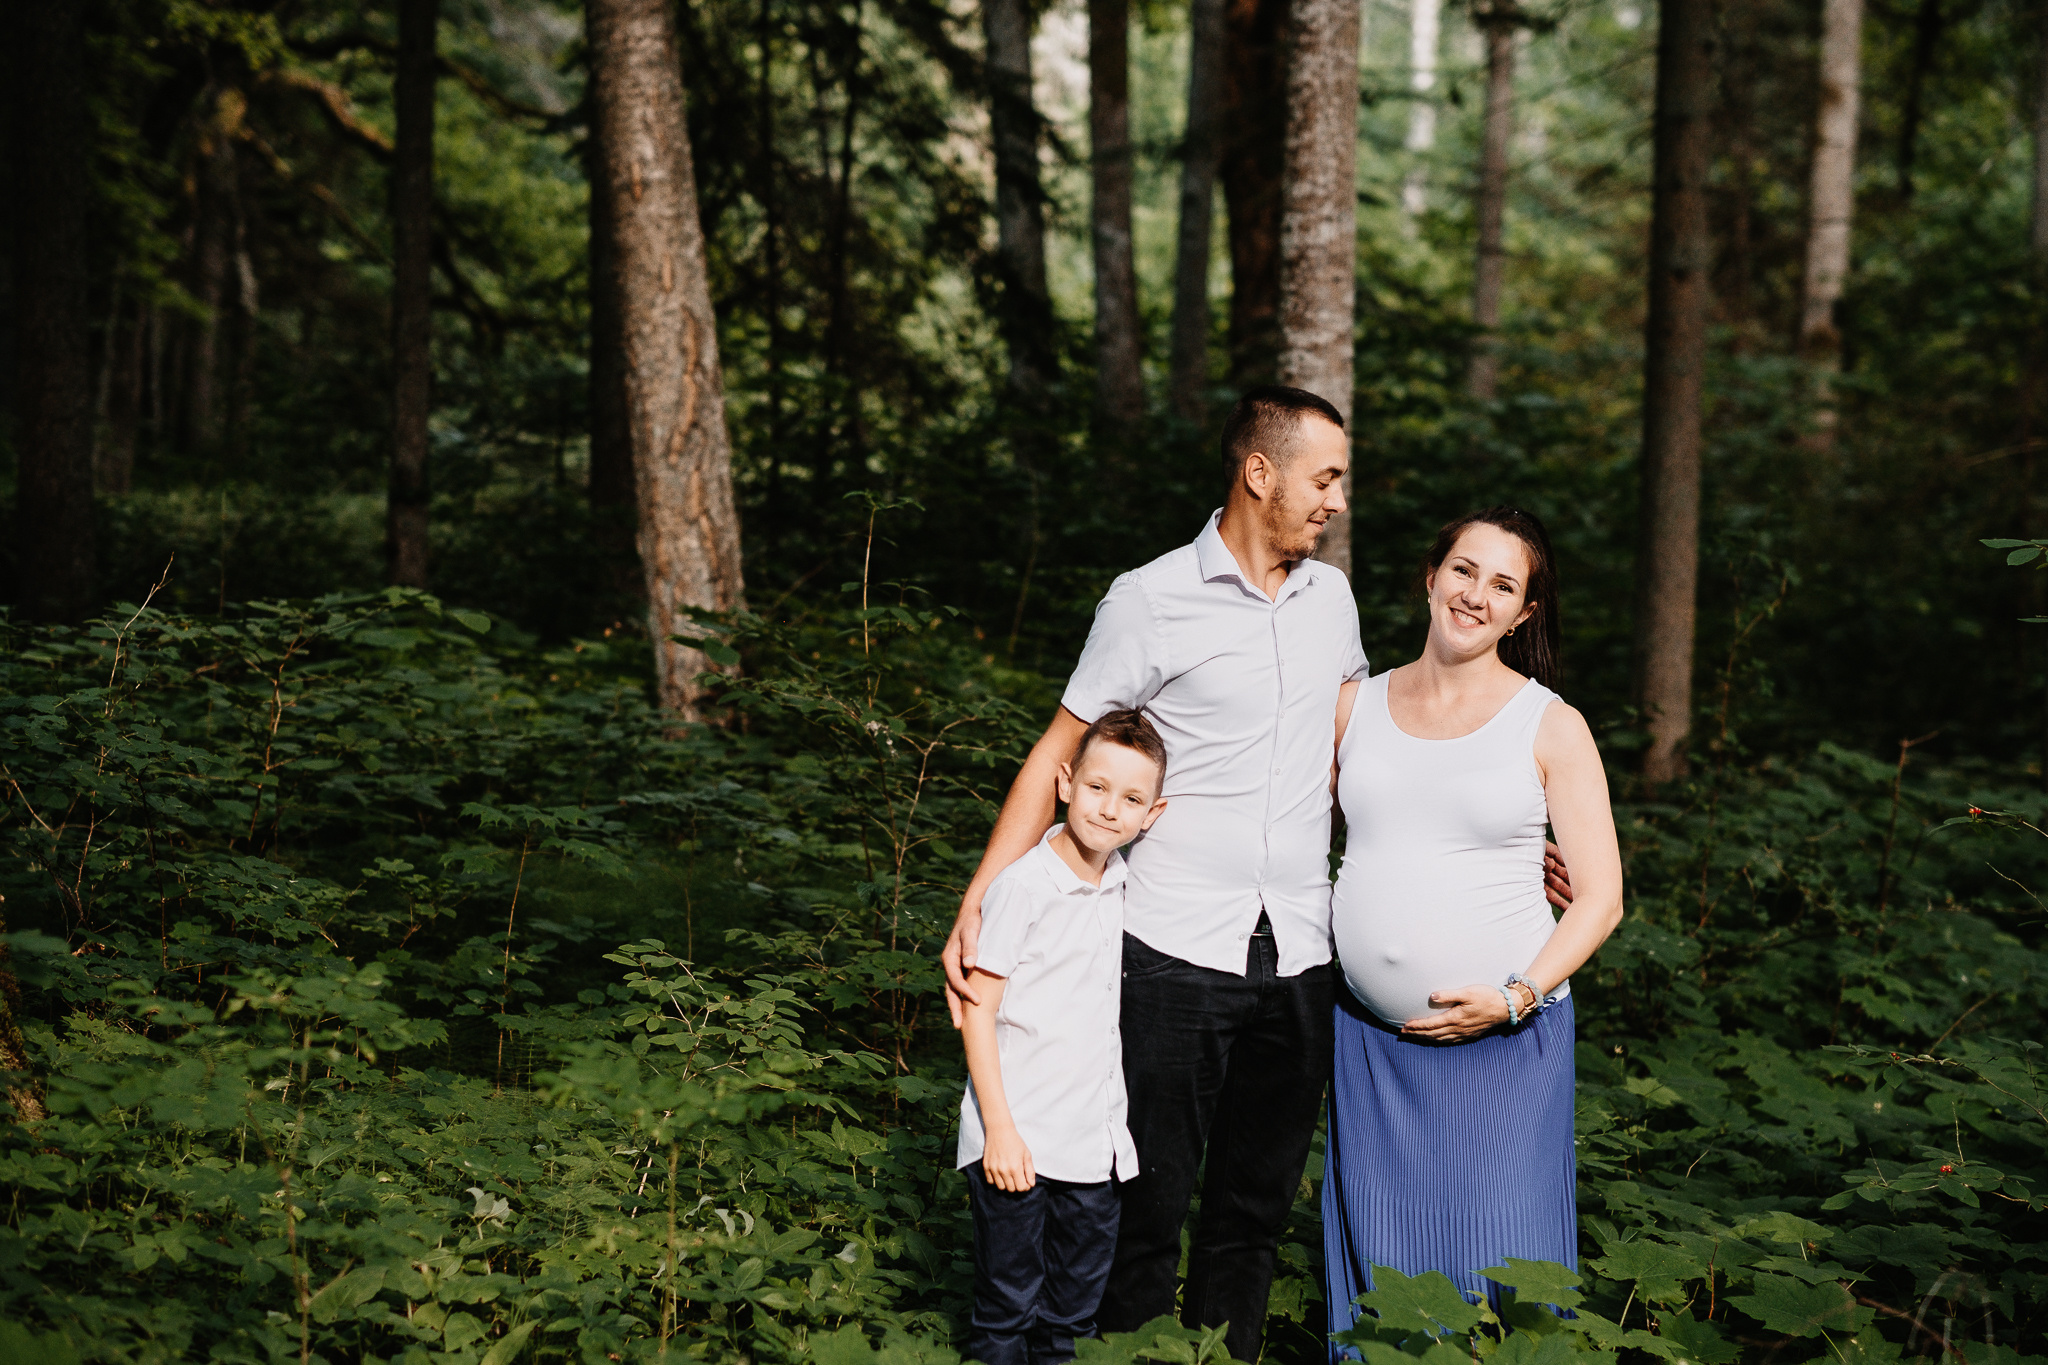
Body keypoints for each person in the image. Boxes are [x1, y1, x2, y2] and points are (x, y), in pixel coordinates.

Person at [945, 385, 1367, 1363]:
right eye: (1324, 477)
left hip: (1300, 954)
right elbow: (1055, 750)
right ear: (1257, 473)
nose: (1335, 500)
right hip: (1170, 951)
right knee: (1144, 1206)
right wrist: (976, 907)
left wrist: (1502, 845)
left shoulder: (1332, 601)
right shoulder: (1147, 600)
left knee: (1251, 1216)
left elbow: (1356, 755)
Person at [1321, 507, 1625, 1350]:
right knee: (1384, 1274)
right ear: (1430, 575)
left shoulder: (1550, 725)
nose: (1475, 594)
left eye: (1503, 584)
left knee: (1503, 1270)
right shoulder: (1353, 708)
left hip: (1506, 1045)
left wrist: (1513, 995)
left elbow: (1600, 898)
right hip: (1372, 1045)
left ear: (1524, 612)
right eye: (1464, 570)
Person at [956, 709, 1170, 1365]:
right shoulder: (1023, 886)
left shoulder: (1122, 883)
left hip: (1094, 1150)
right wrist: (999, 1128)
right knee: (1007, 1309)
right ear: (1066, 781)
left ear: (1152, 814)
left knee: (1071, 1317)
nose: (1110, 809)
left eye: (1131, 798)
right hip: (1016, 1140)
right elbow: (977, 1009)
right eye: (1098, 786)